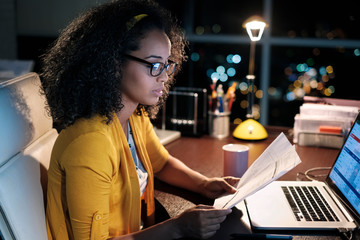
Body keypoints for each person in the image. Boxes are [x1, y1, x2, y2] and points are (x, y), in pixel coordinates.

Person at [40, 0, 239, 239]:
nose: (164, 77)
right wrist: (177, 227)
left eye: (167, 65)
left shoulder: (134, 115)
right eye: (154, 65)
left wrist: (205, 184)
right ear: (113, 63)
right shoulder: (90, 144)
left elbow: (161, 164)